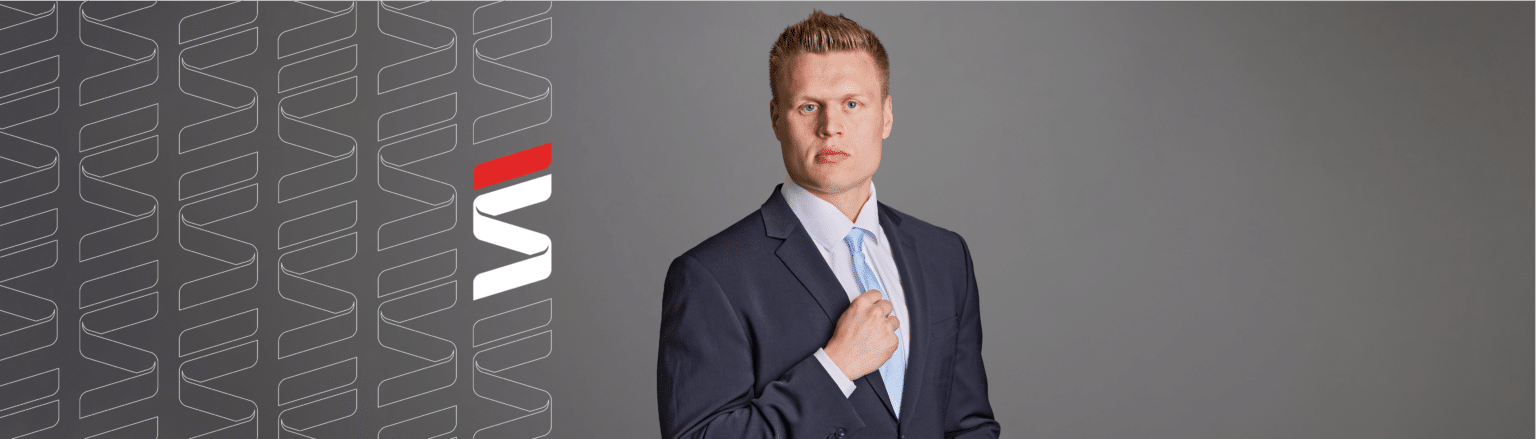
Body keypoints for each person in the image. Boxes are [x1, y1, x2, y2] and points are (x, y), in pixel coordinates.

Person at [657, 10, 1000, 439]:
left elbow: (968, 425)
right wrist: (836, 367)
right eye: (808, 106)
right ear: (777, 119)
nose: (830, 127)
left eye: (852, 104)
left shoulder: (945, 256)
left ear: (886, 116)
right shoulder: (711, 276)